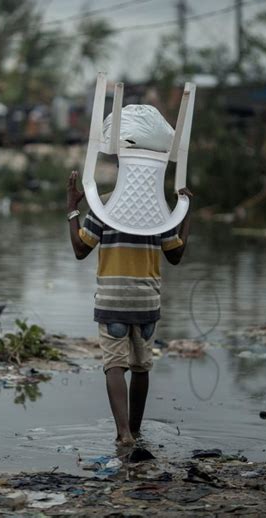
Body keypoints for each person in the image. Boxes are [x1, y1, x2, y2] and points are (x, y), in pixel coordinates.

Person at [67, 169, 192, 446]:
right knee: (141, 367)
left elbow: (80, 249)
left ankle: (123, 434)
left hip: (113, 299)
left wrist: (72, 209)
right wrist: (185, 212)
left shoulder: (104, 205)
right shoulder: (160, 209)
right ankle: (135, 432)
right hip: (146, 300)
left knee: (114, 366)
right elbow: (175, 255)